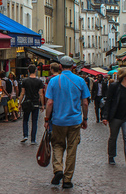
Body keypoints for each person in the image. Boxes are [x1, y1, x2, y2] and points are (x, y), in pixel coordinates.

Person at [44, 56, 90, 189]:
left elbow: (50, 102)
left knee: (57, 145)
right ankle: (67, 179)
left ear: (60, 66)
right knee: (72, 148)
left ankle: (58, 169)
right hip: (74, 120)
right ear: (73, 67)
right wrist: (85, 119)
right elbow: (85, 103)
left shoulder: (53, 81)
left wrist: (47, 119)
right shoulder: (80, 81)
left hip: (58, 120)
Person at [102, 67, 126, 171]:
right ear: (124, 75)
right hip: (115, 117)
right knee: (113, 137)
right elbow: (108, 102)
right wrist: (106, 117)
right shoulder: (114, 86)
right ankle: (111, 156)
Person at [18, 64, 44, 144]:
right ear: (36, 71)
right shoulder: (39, 81)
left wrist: (19, 103)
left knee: (25, 119)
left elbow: (22, 93)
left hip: (27, 102)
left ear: (28, 71)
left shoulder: (25, 81)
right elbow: (41, 94)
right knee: (34, 121)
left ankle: (25, 135)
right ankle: (33, 139)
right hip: (35, 103)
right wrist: (42, 104)